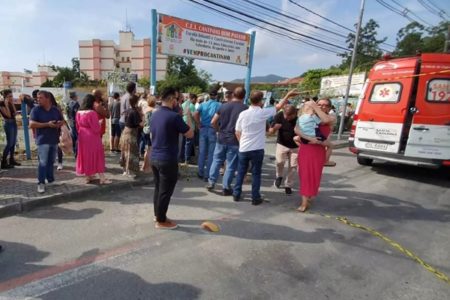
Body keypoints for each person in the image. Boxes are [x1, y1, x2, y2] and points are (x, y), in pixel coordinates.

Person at [233, 89, 298, 205]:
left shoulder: (243, 114)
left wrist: (241, 143)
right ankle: (255, 197)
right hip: (257, 149)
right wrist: (287, 95)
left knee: (241, 172)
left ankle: (236, 194)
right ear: (261, 101)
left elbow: (237, 132)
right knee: (256, 173)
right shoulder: (262, 113)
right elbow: (278, 107)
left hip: (244, 148)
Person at [150, 87, 194, 230]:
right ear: (170, 99)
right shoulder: (174, 117)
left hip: (155, 156)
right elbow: (190, 134)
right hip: (167, 159)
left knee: (159, 188)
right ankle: (161, 220)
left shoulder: (155, 114)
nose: (178, 101)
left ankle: (158, 214)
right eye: (176, 99)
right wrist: (185, 116)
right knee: (165, 191)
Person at [295, 99, 335, 212]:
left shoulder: (330, 118)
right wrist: (310, 139)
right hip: (306, 149)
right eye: (319, 104)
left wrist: (320, 142)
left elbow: (326, 120)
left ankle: (310, 194)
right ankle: (304, 202)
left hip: (318, 151)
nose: (322, 107)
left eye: (325, 105)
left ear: (329, 107)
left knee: (315, 175)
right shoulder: (307, 117)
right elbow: (296, 130)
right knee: (305, 175)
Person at [206, 87, 247, 196]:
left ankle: (211, 181)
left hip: (221, 138)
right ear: (244, 96)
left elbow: (213, 121)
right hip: (235, 140)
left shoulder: (223, 106)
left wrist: (218, 130)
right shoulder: (245, 108)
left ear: (233, 94)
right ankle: (226, 187)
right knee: (230, 165)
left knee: (217, 160)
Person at [29, 91, 64, 193]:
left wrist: (58, 124)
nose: (38, 100)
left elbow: (62, 121)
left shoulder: (55, 110)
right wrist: (47, 124)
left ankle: (50, 180)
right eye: (37, 98)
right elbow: (31, 124)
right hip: (42, 140)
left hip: (54, 139)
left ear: (48, 99)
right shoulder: (35, 110)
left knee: (51, 162)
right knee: (43, 162)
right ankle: (40, 183)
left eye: (40, 98)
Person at [76, 94, 111, 185]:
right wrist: (99, 123)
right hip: (92, 136)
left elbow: (77, 126)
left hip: (82, 135)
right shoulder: (92, 113)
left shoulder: (78, 112)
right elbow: (96, 128)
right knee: (97, 155)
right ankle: (102, 178)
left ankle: (88, 176)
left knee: (85, 155)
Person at [269, 104, 298, 195]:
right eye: (286, 117)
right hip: (282, 143)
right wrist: (274, 129)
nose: (288, 119)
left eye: (290, 117)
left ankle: (288, 185)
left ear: (295, 114)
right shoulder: (279, 115)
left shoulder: (300, 118)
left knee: (293, 166)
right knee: (279, 162)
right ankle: (279, 176)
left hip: (296, 146)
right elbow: (271, 131)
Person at [194, 89, 221, 181]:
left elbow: (195, 114)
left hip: (203, 129)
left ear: (209, 95)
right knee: (211, 153)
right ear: (216, 96)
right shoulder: (219, 105)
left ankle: (200, 172)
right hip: (213, 129)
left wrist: (198, 124)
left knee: (202, 152)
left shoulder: (202, 104)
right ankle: (208, 174)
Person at [120, 95, 143, 177]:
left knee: (125, 151)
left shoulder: (128, 111)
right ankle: (130, 171)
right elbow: (140, 124)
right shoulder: (134, 111)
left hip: (125, 132)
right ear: (136, 102)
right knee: (131, 152)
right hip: (131, 133)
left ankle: (125, 170)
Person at [0, 89, 20, 169]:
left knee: (14, 142)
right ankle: (3, 162)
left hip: (13, 122)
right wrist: (7, 105)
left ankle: (12, 160)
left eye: (12, 96)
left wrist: (11, 103)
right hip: (8, 123)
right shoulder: (1, 104)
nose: (11, 98)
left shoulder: (10, 103)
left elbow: (15, 113)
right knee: (9, 143)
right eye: (9, 96)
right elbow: (8, 115)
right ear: (5, 97)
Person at [141, 95, 156, 173]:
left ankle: (144, 166)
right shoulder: (154, 110)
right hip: (150, 132)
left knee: (147, 149)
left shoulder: (145, 109)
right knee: (149, 150)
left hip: (145, 130)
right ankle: (147, 167)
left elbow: (143, 120)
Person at [181, 93, 197, 164]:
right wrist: (198, 123)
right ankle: (187, 159)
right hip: (190, 126)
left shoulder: (183, 104)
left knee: (183, 142)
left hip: (183, 125)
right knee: (189, 143)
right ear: (193, 99)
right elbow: (194, 116)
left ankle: (182, 157)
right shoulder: (192, 105)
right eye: (195, 100)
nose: (195, 101)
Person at [66, 91, 80, 157]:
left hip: (70, 121)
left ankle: (74, 151)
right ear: (75, 96)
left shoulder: (68, 103)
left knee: (73, 137)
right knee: (77, 137)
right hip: (75, 122)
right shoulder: (76, 104)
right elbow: (77, 113)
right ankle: (77, 152)